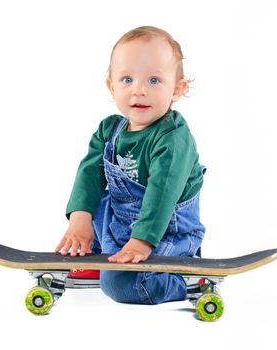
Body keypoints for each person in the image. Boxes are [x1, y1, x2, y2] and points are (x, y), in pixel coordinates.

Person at [55, 26, 206, 304]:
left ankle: (187, 280)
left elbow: (162, 194)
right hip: (121, 224)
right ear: (111, 86)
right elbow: (88, 174)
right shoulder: (109, 130)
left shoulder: (173, 138)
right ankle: (96, 253)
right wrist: (80, 218)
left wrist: (143, 241)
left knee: (120, 285)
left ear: (177, 89)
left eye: (153, 80)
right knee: (97, 197)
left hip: (165, 231)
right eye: (127, 79)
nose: (139, 90)